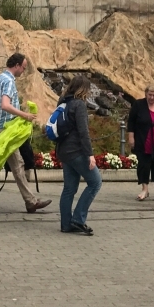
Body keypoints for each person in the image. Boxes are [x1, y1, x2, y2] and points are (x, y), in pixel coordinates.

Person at [0, 53, 51, 217]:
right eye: (23, 67)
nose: (23, 71)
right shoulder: (8, 81)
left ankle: (30, 201)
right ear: (16, 65)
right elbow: (5, 105)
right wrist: (25, 115)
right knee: (1, 166)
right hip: (5, 130)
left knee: (16, 165)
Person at [55, 75, 102, 235]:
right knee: (95, 182)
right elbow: (84, 132)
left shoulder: (63, 101)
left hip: (63, 151)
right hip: (76, 151)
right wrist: (90, 155)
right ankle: (78, 219)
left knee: (69, 188)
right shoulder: (79, 105)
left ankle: (65, 224)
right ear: (84, 89)